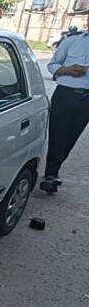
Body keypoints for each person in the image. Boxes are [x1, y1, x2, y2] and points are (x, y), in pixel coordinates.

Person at [40, 30, 89, 193]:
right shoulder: (72, 40)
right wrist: (68, 70)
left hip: (87, 99)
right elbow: (52, 65)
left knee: (71, 137)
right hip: (65, 94)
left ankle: (54, 169)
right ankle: (50, 175)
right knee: (57, 135)